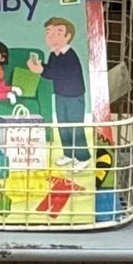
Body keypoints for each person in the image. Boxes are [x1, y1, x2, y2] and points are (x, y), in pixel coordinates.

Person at [28, 17, 89, 164]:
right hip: (61, 94)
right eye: (49, 32)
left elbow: (61, 73)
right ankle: (68, 154)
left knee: (75, 127)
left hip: (74, 96)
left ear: (67, 36)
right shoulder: (54, 53)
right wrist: (41, 66)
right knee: (63, 125)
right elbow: (52, 69)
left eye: (58, 32)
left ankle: (83, 157)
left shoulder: (70, 55)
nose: (51, 36)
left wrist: (41, 69)